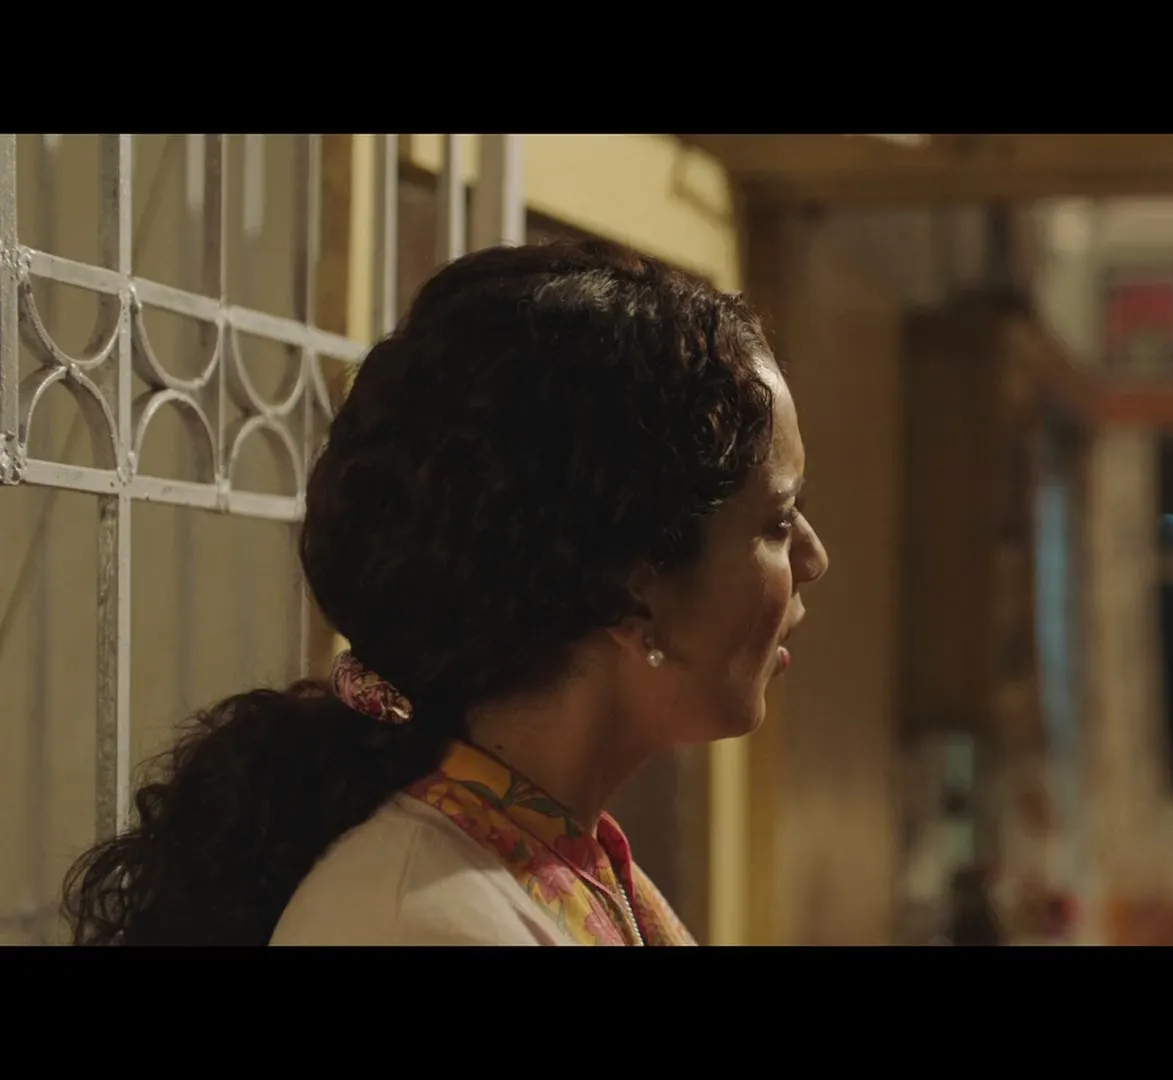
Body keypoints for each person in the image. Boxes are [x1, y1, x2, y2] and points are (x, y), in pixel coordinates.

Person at [62, 239, 829, 945]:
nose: (813, 557)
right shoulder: (418, 922)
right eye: (777, 521)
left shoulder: (549, 862)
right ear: (632, 592)